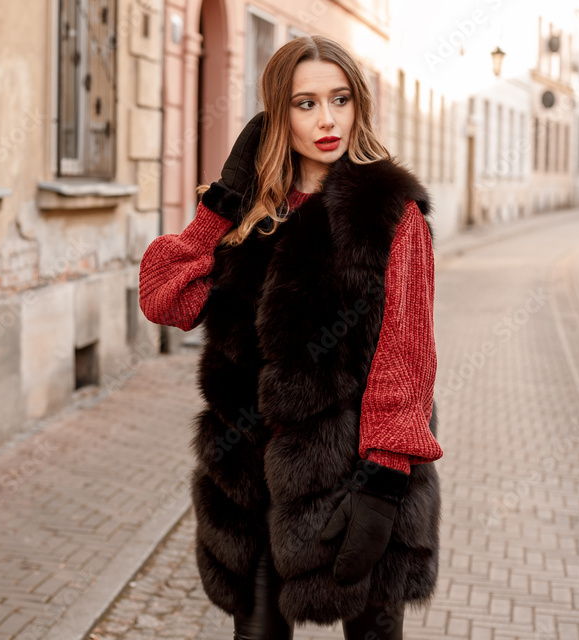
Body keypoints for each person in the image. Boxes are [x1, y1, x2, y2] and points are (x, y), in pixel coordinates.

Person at [139, 35, 441, 640]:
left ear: (360, 106)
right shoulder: (250, 214)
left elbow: (406, 358)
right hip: (249, 488)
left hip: (359, 476)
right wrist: (221, 204)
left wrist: (382, 482)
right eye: (305, 104)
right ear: (278, 114)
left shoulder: (386, 212)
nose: (327, 120)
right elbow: (164, 299)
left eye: (340, 99)